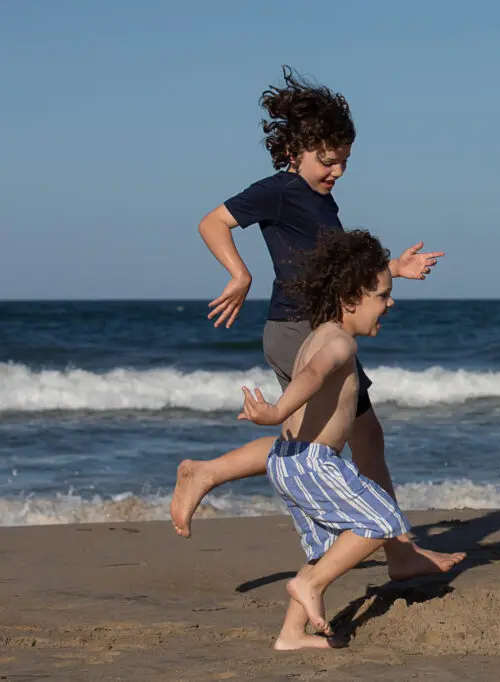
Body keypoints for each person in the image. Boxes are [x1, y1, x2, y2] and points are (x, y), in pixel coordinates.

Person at [170, 66, 464, 580]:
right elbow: (211, 221)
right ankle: (397, 553)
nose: (338, 171)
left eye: (345, 161)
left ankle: (395, 552)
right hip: (298, 331)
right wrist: (240, 274)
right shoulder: (278, 191)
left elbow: (331, 271)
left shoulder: (321, 200)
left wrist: (393, 269)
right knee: (328, 444)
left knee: (332, 442)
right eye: (329, 161)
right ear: (295, 151)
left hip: (320, 328)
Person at [239, 228, 411, 650]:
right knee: (383, 520)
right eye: (382, 295)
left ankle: (291, 634)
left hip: (289, 458)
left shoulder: (318, 333)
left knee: (327, 545)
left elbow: (310, 373)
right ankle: (310, 585)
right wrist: (277, 411)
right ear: (351, 298)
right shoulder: (339, 343)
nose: (390, 304)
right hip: (314, 460)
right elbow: (313, 377)